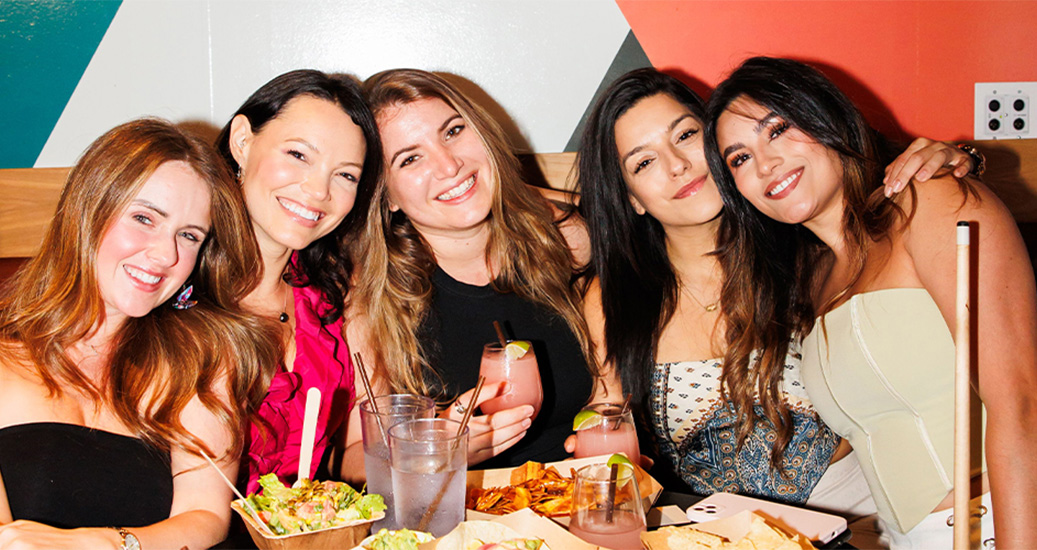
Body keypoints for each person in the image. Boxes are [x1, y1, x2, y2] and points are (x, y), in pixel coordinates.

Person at [573, 67, 975, 522]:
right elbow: (605, 409)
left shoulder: (804, 243)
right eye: (643, 163)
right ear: (632, 199)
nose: (677, 165)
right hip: (716, 533)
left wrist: (961, 158)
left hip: (865, 519)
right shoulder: (614, 296)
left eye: (685, 135)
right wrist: (595, 440)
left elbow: (890, 194)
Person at [706, 56, 1037, 548]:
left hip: (993, 523)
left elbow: (1021, 404)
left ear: (827, 118)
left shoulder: (929, 202)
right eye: (740, 159)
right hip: (903, 537)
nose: (765, 163)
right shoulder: (809, 277)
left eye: (777, 129)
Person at [0, 119, 281, 549]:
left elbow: (204, 516)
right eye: (144, 218)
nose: (166, 254)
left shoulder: (203, 359)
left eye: (188, 236)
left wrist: (109, 545)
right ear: (87, 210)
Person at [340, 69, 594, 479]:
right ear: (385, 196)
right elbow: (353, 458)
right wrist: (431, 451)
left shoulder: (566, 241)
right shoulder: (372, 301)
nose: (449, 164)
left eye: (454, 131)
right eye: (410, 158)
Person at [214, 69, 382, 493]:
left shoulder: (336, 300)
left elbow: (364, 445)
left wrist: (438, 442)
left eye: (345, 175)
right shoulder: (172, 284)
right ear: (242, 142)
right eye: (298, 155)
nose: (318, 190)